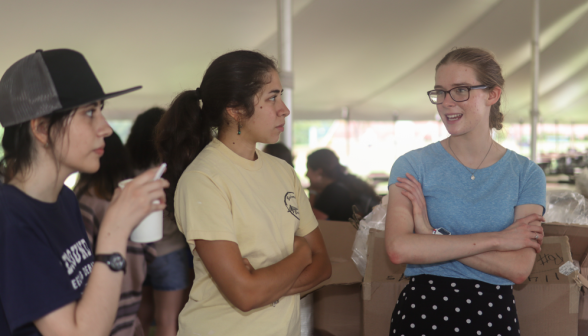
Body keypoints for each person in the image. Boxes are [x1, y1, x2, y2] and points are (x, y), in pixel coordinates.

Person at [155, 50, 332, 336]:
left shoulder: (284, 171)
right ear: (235, 110)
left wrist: (262, 283)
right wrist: (300, 254)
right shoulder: (203, 179)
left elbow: (323, 264)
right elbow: (244, 295)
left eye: (280, 96)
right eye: (272, 97)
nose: (284, 109)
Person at [0, 49, 168, 336]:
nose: (105, 128)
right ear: (41, 128)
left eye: (101, 111)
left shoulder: (64, 200)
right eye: (89, 112)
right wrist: (114, 229)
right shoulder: (10, 218)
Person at [385, 47, 546, 336]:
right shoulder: (412, 165)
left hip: (494, 319)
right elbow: (399, 249)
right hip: (422, 315)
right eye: (440, 92)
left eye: (460, 90)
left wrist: (431, 235)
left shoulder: (526, 174)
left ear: (492, 95)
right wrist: (498, 240)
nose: (446, 103)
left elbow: (519, 268)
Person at [74, 132, 149, 336]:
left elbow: (81, 263)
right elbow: (149, 249)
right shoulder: (131, 198)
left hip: (100, 300)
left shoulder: (83, 199)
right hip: (131, 295)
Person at [128, 108, 192, 336]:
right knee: (167, 321)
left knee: (141, 316)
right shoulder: (170, 170)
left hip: (138, 253)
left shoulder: (131, 172)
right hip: (170, 252)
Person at [306, 148, 380, 221]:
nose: (306, 174)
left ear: (319, 172)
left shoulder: (333, 191)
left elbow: (309, 222)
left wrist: (313, 193)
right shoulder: (345, 184)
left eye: (308, 170)